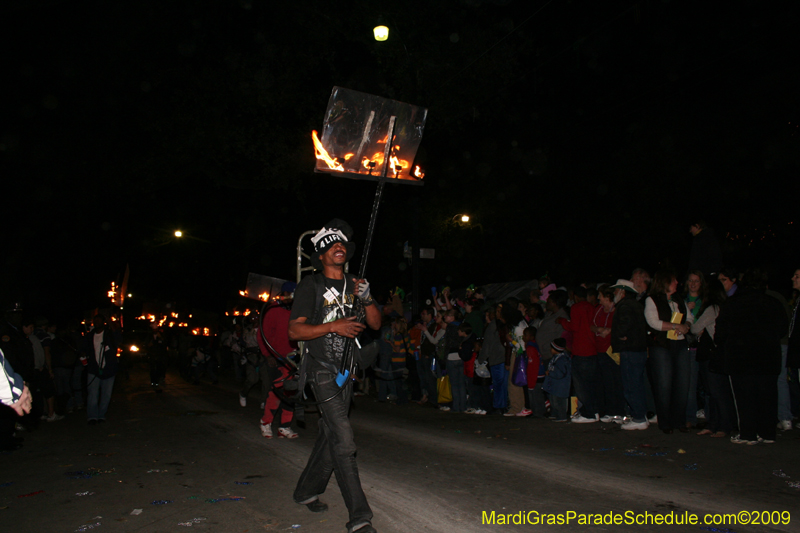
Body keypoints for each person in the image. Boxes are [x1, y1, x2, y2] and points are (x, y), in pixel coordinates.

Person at [289, 219, 381, 533]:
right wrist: (333, 326)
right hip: (321, 371)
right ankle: (360, 517)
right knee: (343, 438)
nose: (338, 247)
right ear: (320, 256)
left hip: (347, 371)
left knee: (330, 434)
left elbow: (376, 324)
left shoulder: (356, 283)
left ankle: (305, 491)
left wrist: (367, 298)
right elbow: (294, 331)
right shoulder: (311, 285)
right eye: (330, 245)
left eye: (341, 244)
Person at [715, 268, 788, 445]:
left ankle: (748, 434)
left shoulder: (733, 303)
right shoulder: (773, 303)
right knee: (767, 395)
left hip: (741, 357)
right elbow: (782, 329)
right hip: (768, 357)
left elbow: (721, 332)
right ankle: (767, 433)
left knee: (744, 396)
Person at [645, 270, 693, 434]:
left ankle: (679, 420)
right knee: (664, 384)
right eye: (673, 280)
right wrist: (674, 326)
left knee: (682, 384)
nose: (677, 283)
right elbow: (653, 322)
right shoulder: (652, 300)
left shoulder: (679, 299)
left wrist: (686, 325)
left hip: (680, 344)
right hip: (662, 345)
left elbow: (689, 317)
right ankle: (665, 422)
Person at [690, 280, 734, 438]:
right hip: (718, 353)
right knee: (714, 391)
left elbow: (695, 328)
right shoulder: (725, 306)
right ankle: (714, 424)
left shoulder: (712, 309)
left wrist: (692, 324)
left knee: (715, 392)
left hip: (711, 353)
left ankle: (723, 426)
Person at [610, 279, 649, 430]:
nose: (614, 293)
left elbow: (624, 324)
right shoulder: (636, 304)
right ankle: (640, 415)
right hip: (637, 350)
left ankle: (639, 418)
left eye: (616, 290)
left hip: (630, 350)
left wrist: (620, 335)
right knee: (637, 383)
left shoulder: (625, 306)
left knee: (631, 384)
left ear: (622, 291)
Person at [558, 286, 598, 423]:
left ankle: (588, 413)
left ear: (575, 296)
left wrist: (563, 321)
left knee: (581, 384)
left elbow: (574, 326)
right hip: (592, 349)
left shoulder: (576, 307)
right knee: (591, 383)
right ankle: (594, 411)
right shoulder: (591, 307)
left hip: (581, 350)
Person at [84, 314, 118, 424]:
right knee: (92, 394)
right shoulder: (90, 336)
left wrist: (110, 323)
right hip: (94, 369)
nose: (97, 323)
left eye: (99, 320)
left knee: (106, 395)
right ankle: (92, 416)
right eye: (95, 321)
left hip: (109, 369)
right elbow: (85, 350)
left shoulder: (109, 334)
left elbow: (118, 338)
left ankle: (101, 415)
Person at [543, 339, 571, 422]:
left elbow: (560, 373)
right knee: (553, 400)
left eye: (552, 348)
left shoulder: (562, 360)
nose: (550, 350)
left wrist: (550, 373)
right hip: (554, 384)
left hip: (560, 385)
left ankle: (562, 416)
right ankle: (555, 414)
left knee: (559, 401)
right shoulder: (555, 358)